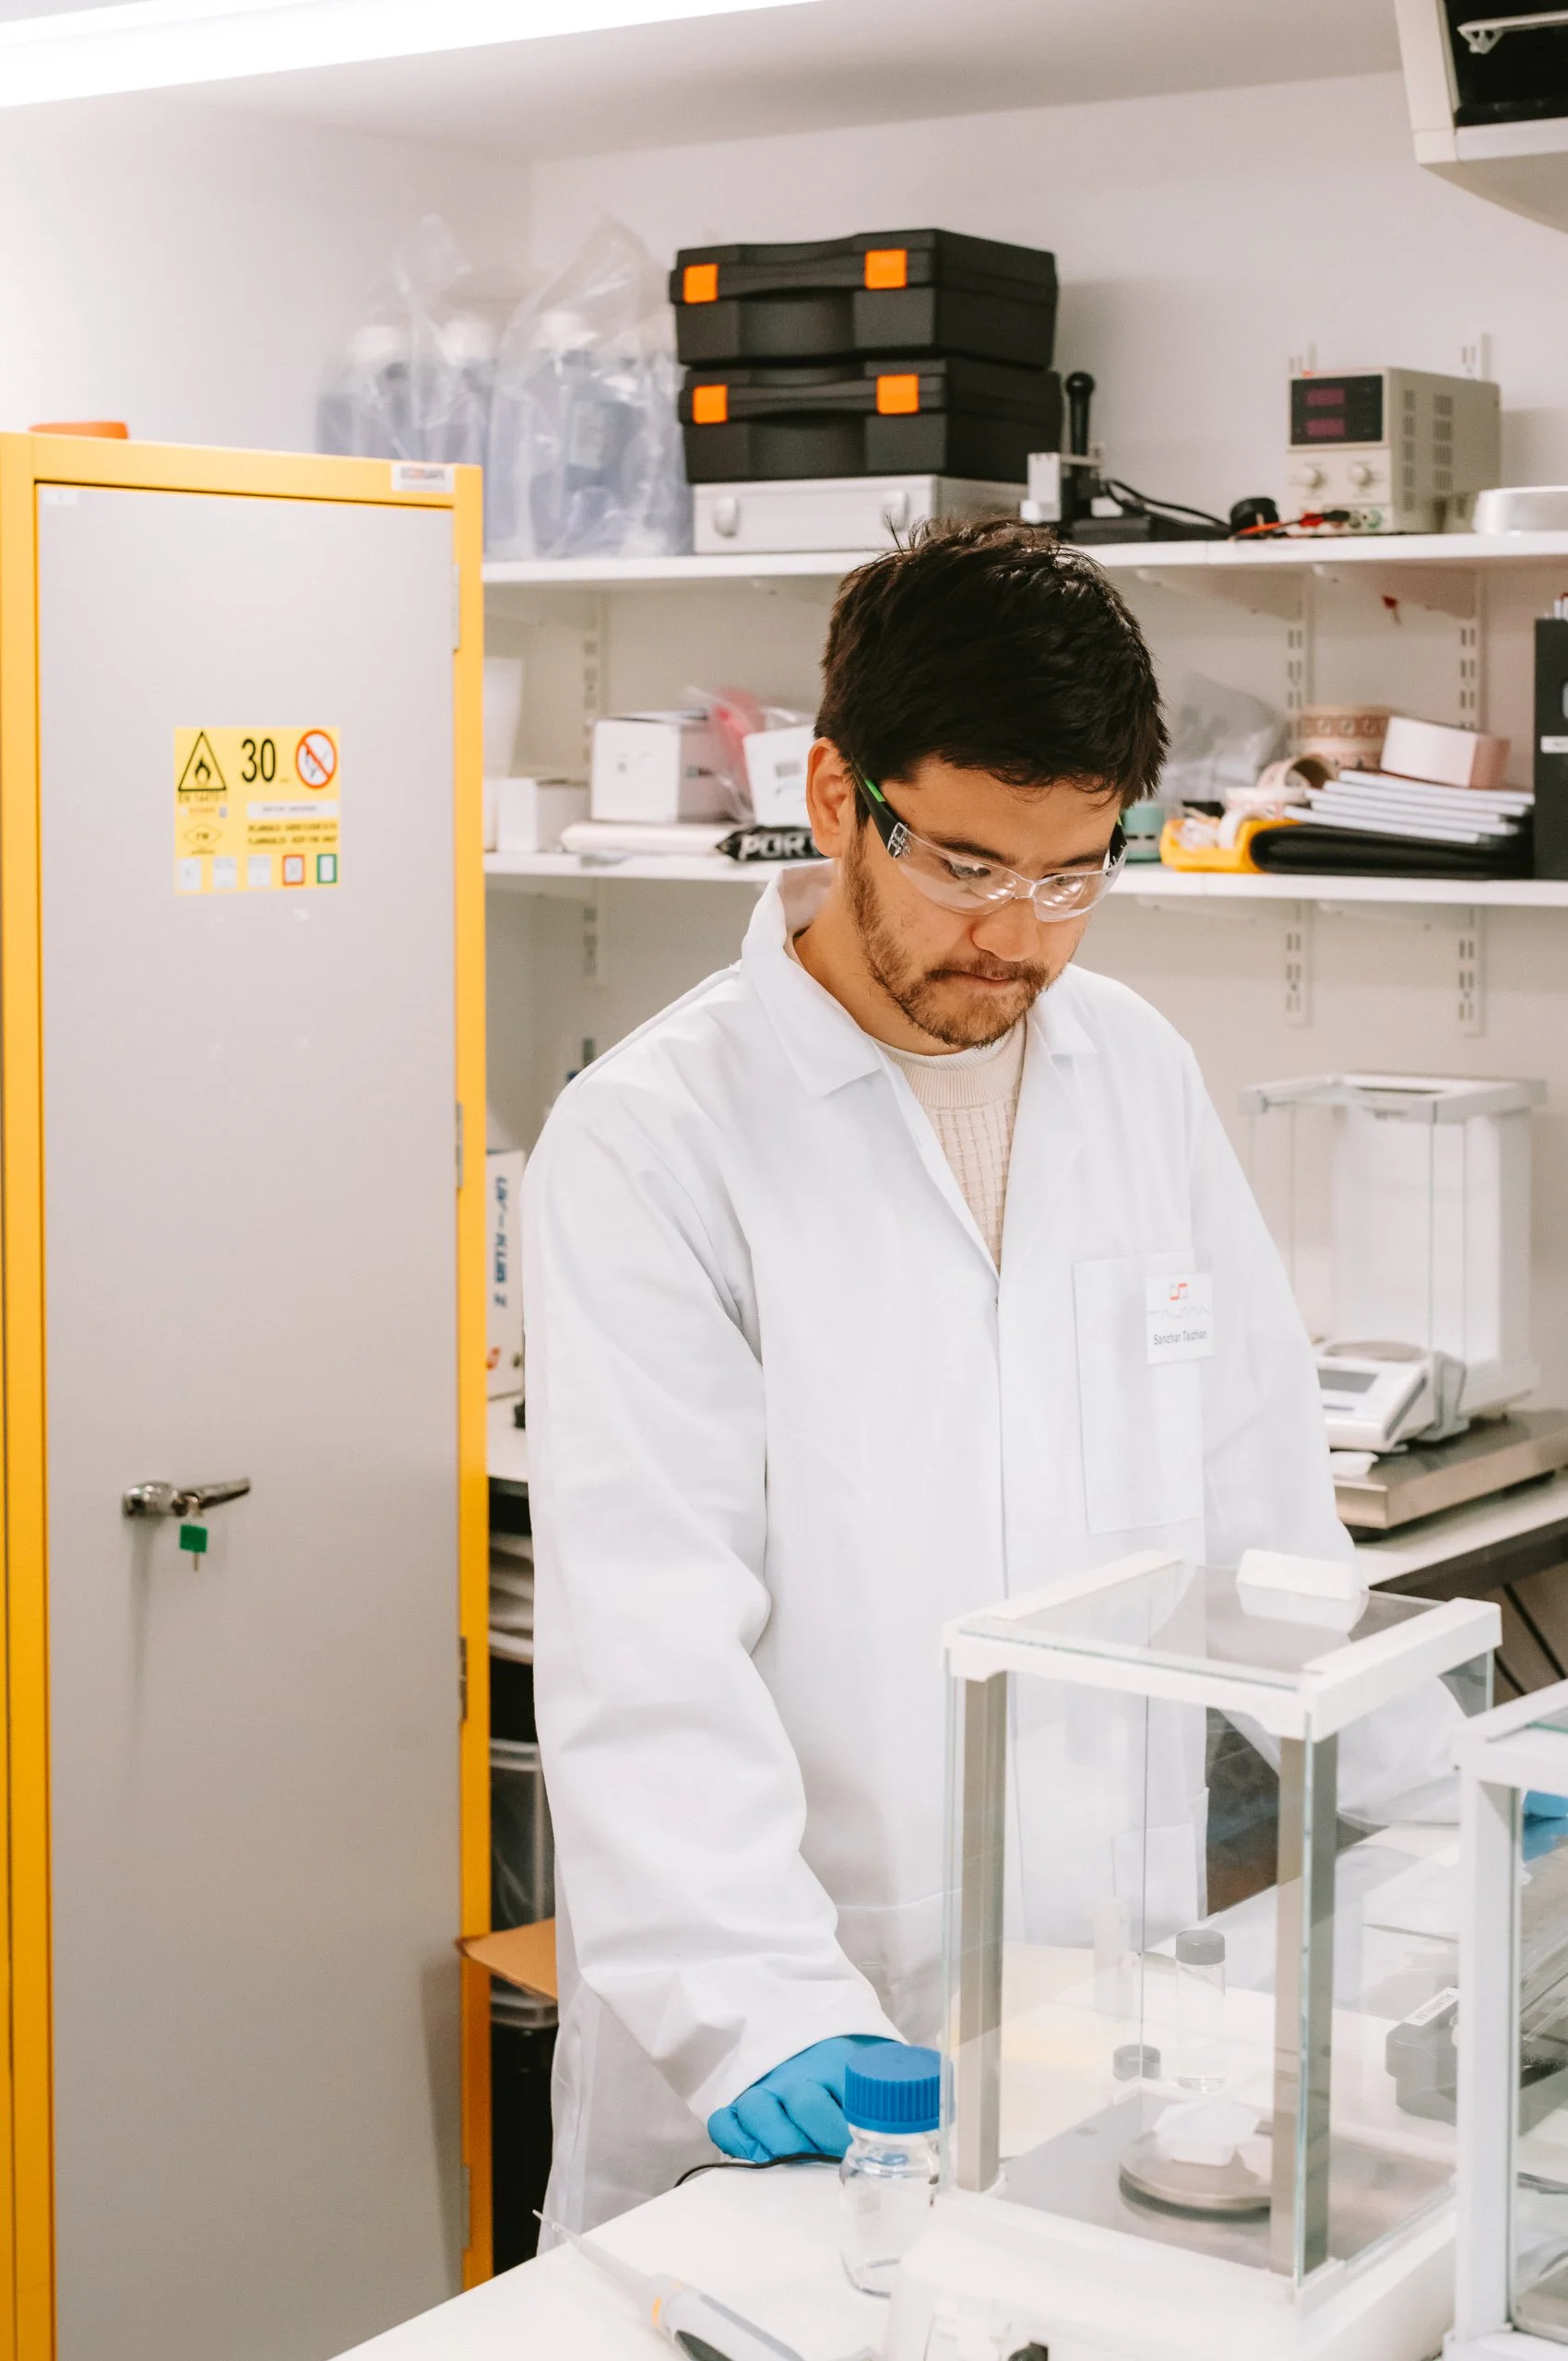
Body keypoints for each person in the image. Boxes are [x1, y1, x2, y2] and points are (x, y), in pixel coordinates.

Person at [523, 521, 1451, 2236]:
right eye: (964, 866)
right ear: (832, 797)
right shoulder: (658, 1141)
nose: (1014, 940)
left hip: (1114, 2026)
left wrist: (1446, 1811)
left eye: (1073, 874)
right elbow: (648, 1647)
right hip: (798, 2051)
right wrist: (763, 2007)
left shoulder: (1137, 1073)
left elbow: (1264, 1511)